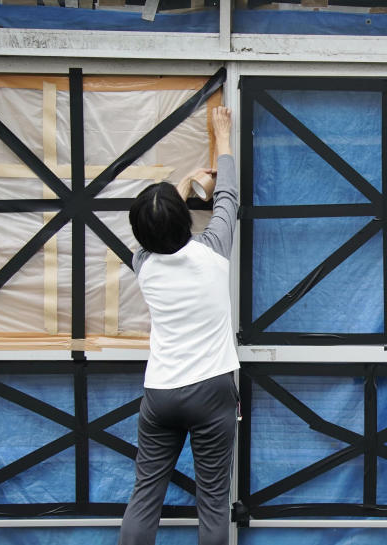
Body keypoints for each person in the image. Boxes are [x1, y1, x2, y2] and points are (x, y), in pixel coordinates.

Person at [119, 106, 239, 545]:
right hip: (211, 390)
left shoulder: (142, 263)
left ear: (140, 233)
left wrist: (183, 187)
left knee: (145, 494)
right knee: (212, 504)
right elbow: (228, 197)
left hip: (161, 392)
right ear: (187, 219)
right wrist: (221, 136)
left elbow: (161, 228)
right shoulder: (214, 252)